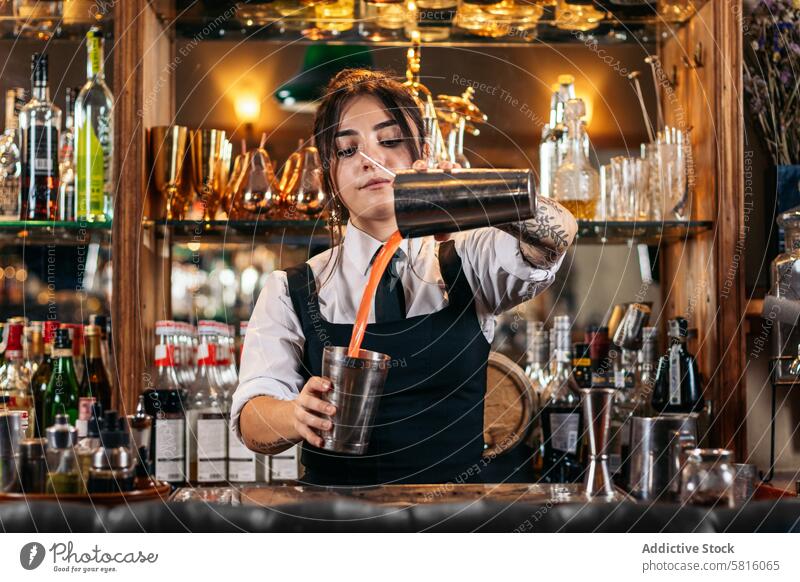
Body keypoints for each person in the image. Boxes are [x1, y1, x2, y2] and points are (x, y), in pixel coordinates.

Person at [231, 68, 577, 486]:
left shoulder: (470, 257)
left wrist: (475, 195)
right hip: (335, 525)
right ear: (329, 176)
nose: (368, 159)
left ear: (423, 155)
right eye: (346, 150)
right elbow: (251, 420)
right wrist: (294, 415)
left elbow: (557, 235)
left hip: (454, 525)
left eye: (390, 140)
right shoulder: (291, 288)